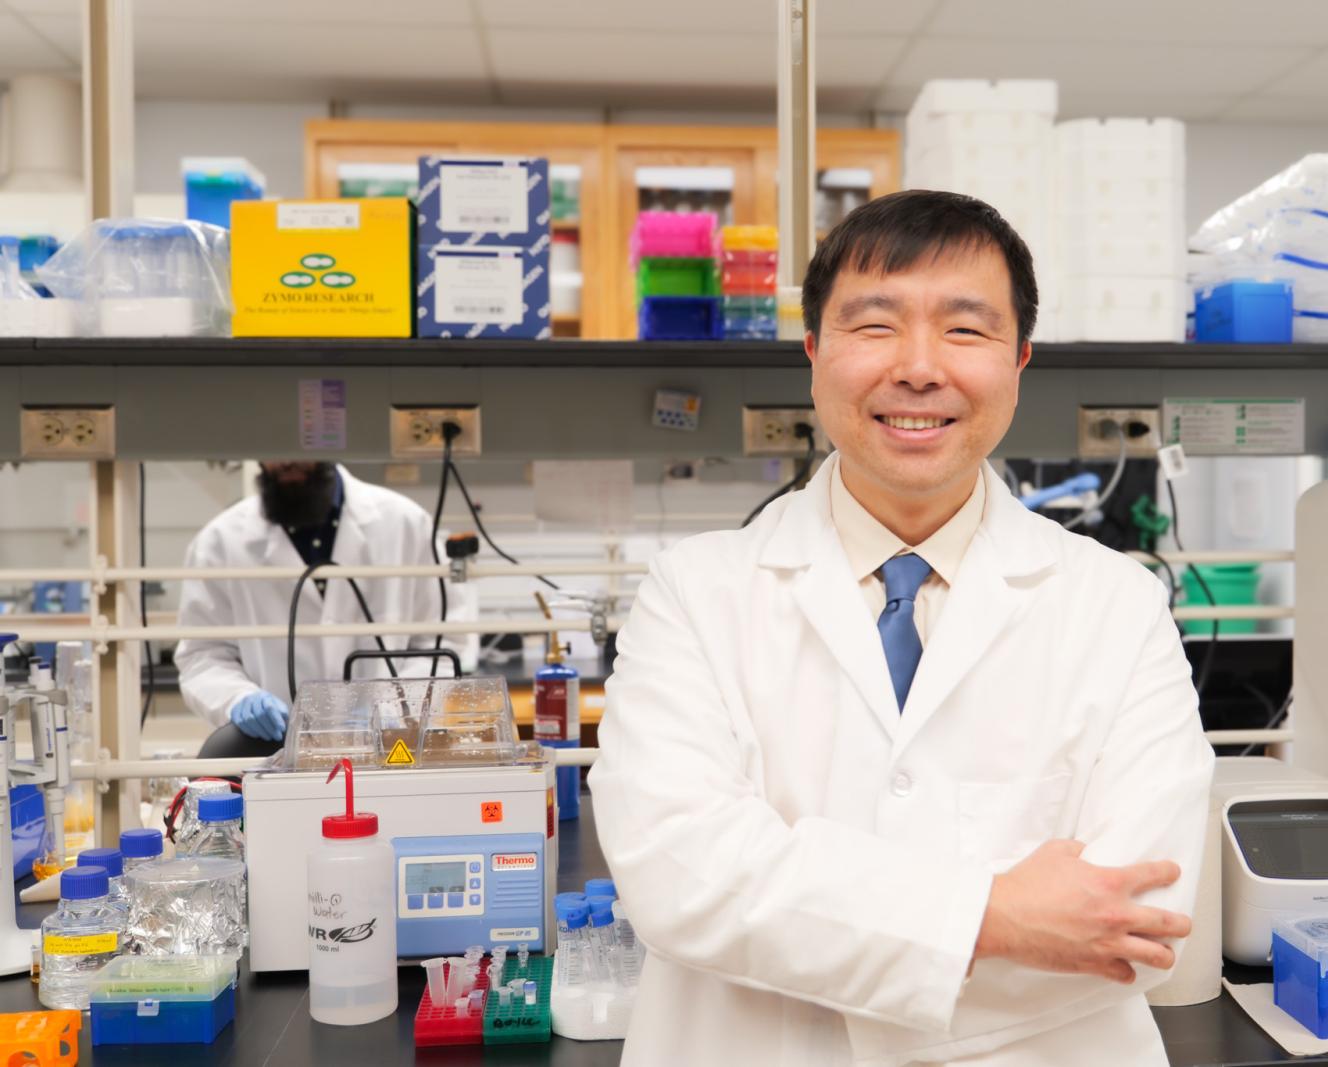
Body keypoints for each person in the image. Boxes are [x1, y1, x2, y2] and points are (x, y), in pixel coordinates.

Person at [589, 190, 1214, 1065]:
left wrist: (799, 925)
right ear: (813, 354)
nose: (920, 368)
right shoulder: (694, 594)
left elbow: (1139, 921)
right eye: (875, 325)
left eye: (966, 330)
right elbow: (681, 877)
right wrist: (997, 917)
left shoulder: (1119, 605)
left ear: (1020, 359)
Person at [176, 462, 477, 757]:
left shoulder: (405, 523)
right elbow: (202, 655)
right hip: (275, 755)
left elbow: (444, 642)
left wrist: (394, 705)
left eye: (298, 448)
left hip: (392, 749)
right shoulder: (219, 542)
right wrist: (239, 698)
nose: (287, 461)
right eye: (274, 450)